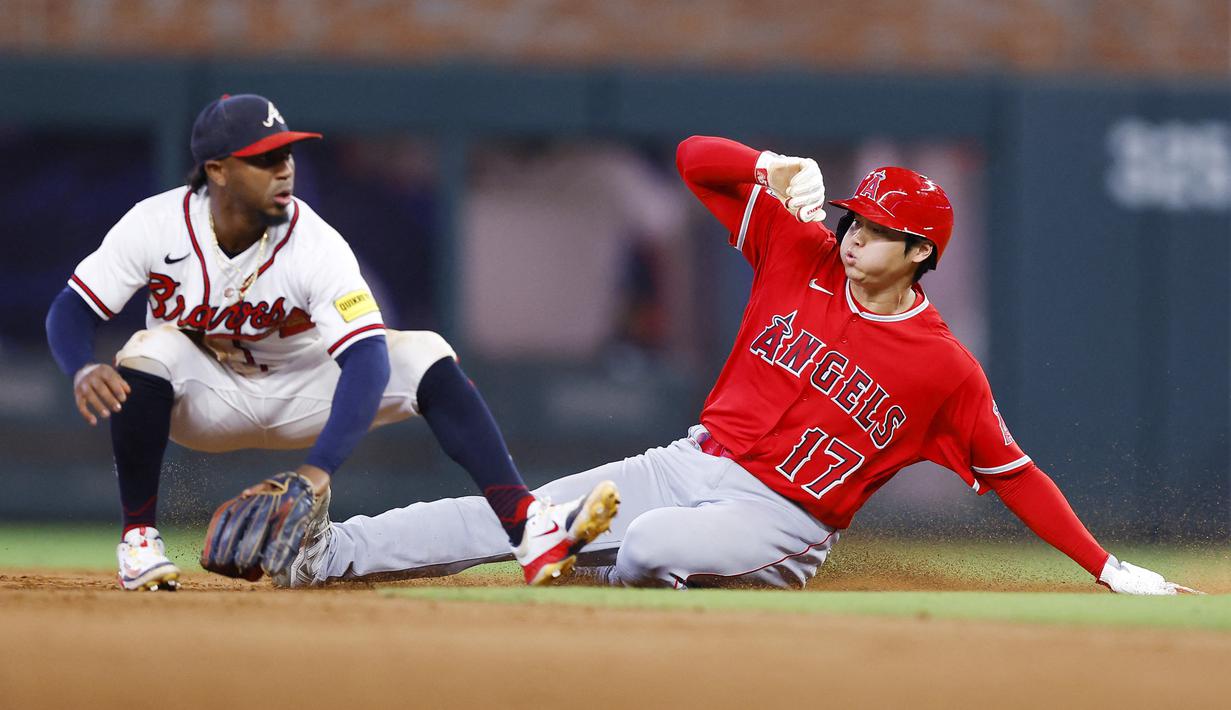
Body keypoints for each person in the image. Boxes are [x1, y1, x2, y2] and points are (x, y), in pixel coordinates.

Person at [276, 135, 1196, 595]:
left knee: (645, 548)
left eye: (876, 229)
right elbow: (690, 161)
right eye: (852, 216)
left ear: (919, 252)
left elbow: (1014, 473)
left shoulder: (943, 369)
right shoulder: (798, 253)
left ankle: (593, 561)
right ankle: (320, 557)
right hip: (686, 461)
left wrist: (1107, 569)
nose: (852, 232)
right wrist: (763, 163)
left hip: (782, 523)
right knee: (511, 512)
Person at [44, 94, 618, 591]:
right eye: (263, 159)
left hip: (307, 395)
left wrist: (318, 470)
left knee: (422, 352)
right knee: (150, 349)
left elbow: (366, 358)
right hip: (205, 399)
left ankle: (528, 527)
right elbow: (71, 308)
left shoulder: (313, 242)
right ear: (216, 171)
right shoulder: (155, 224)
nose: (283, 169)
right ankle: (140, 539)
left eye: (286, 153)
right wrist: (76, 368)